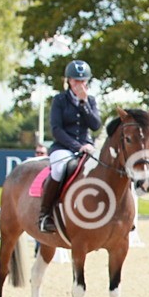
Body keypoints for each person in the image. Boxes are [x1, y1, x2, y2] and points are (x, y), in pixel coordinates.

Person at [40, 59, 101, 233]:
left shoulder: (91, 100)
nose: (79, 84)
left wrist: (84, 104)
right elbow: (56, 129)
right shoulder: (59, 100)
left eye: (82, 81)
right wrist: (77, 146)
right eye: (76, 81)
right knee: (59, 170)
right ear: (69, 81)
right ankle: (45, 215)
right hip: (63, 147)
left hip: (87, 146)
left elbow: (95, 125)